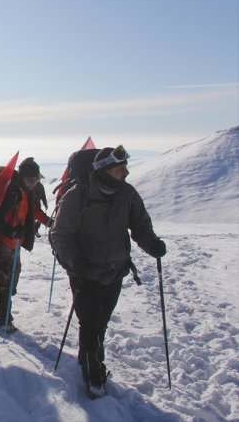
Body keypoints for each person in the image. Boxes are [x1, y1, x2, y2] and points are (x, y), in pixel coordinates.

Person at [50, 145, 166, 397]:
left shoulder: (127, 194)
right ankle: (94, 374)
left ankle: (87, 355)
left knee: (100, 322)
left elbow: (140, 225)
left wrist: (152, 244)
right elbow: (60, 235)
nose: (125, 171)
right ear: (104, 170)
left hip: (115, 271)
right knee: (90, 322)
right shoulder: (78, 195)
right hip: (84, 271)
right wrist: (75, 264)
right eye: (119, 167)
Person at [0, 157, 50, 331]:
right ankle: (4, 320)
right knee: (6, 283)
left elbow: (34, 210)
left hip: (15, 242)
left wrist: (48, 221)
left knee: (10, 280)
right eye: (31, 179)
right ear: (23, 177)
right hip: (0, 242)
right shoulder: (9, 192)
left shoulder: (26, 191)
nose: (34, 183)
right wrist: (10, 231)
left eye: (36, 180)